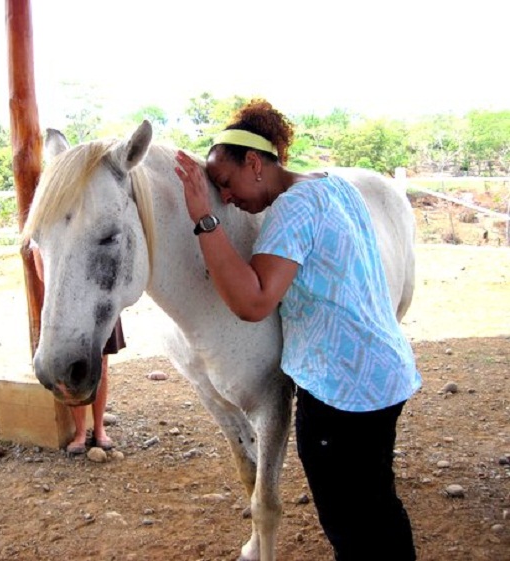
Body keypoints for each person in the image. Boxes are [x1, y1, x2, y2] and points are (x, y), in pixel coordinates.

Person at [174, 99, 421, 561]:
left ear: (254, 163)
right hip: (384, 375)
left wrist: (202, 219)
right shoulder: (332, 187)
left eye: (225, 184)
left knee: (351, 522)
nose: (225, 197)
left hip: (341, 392)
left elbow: (253, 301)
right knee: (378, 506)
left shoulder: (292, 210)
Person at [29, 240, 126, 454]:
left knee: (101, 367)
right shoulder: (47, 228)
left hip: (99, 302)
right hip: (67, 306)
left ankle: (99, 429)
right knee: (70, 370)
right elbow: (44, 273)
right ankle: (80, 433)